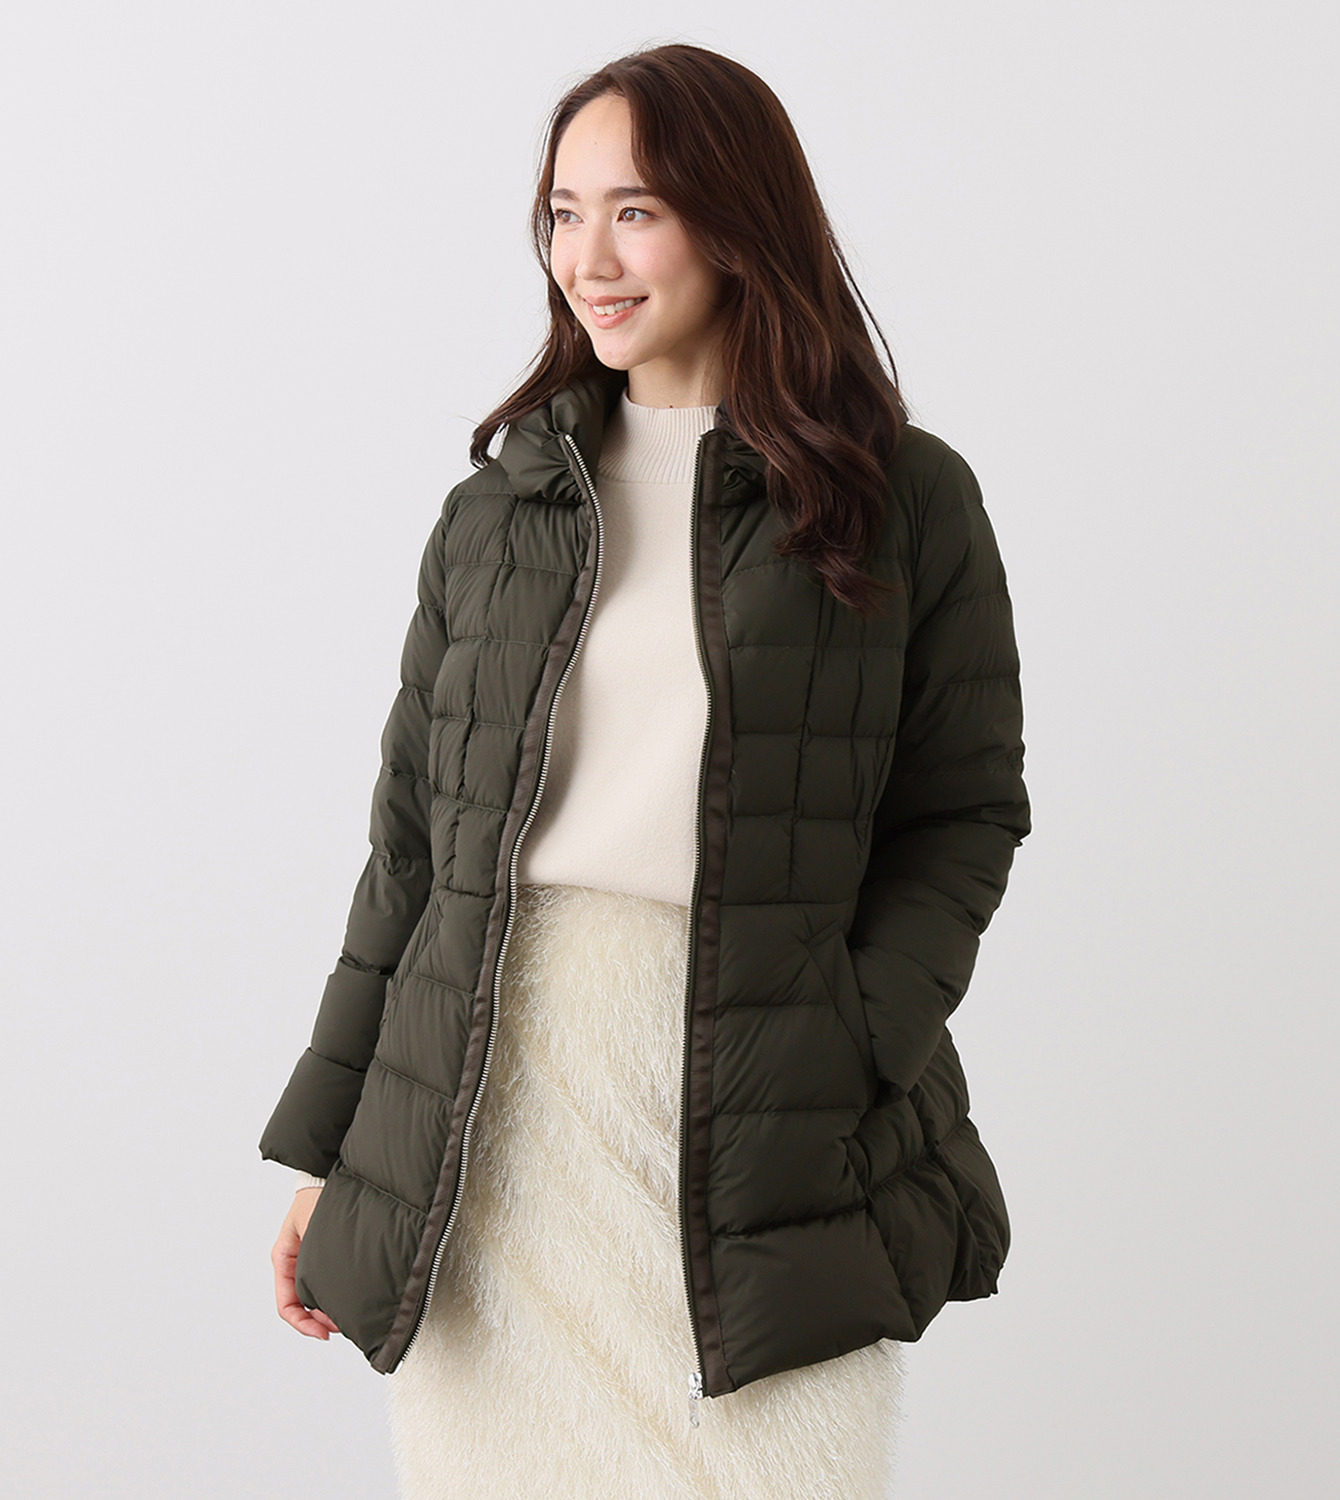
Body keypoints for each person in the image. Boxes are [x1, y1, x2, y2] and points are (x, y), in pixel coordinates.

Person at [261, 41, 1030, 1500]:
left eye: (636, 211)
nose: (589, 259)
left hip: (764, 1124)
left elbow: (963, 811)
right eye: (564, 212)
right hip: (491, 1123)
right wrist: (336, 1150)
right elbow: (411, 852)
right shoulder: (497, 512)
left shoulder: (898, 498)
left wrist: (853, 1034)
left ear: (737, 221)